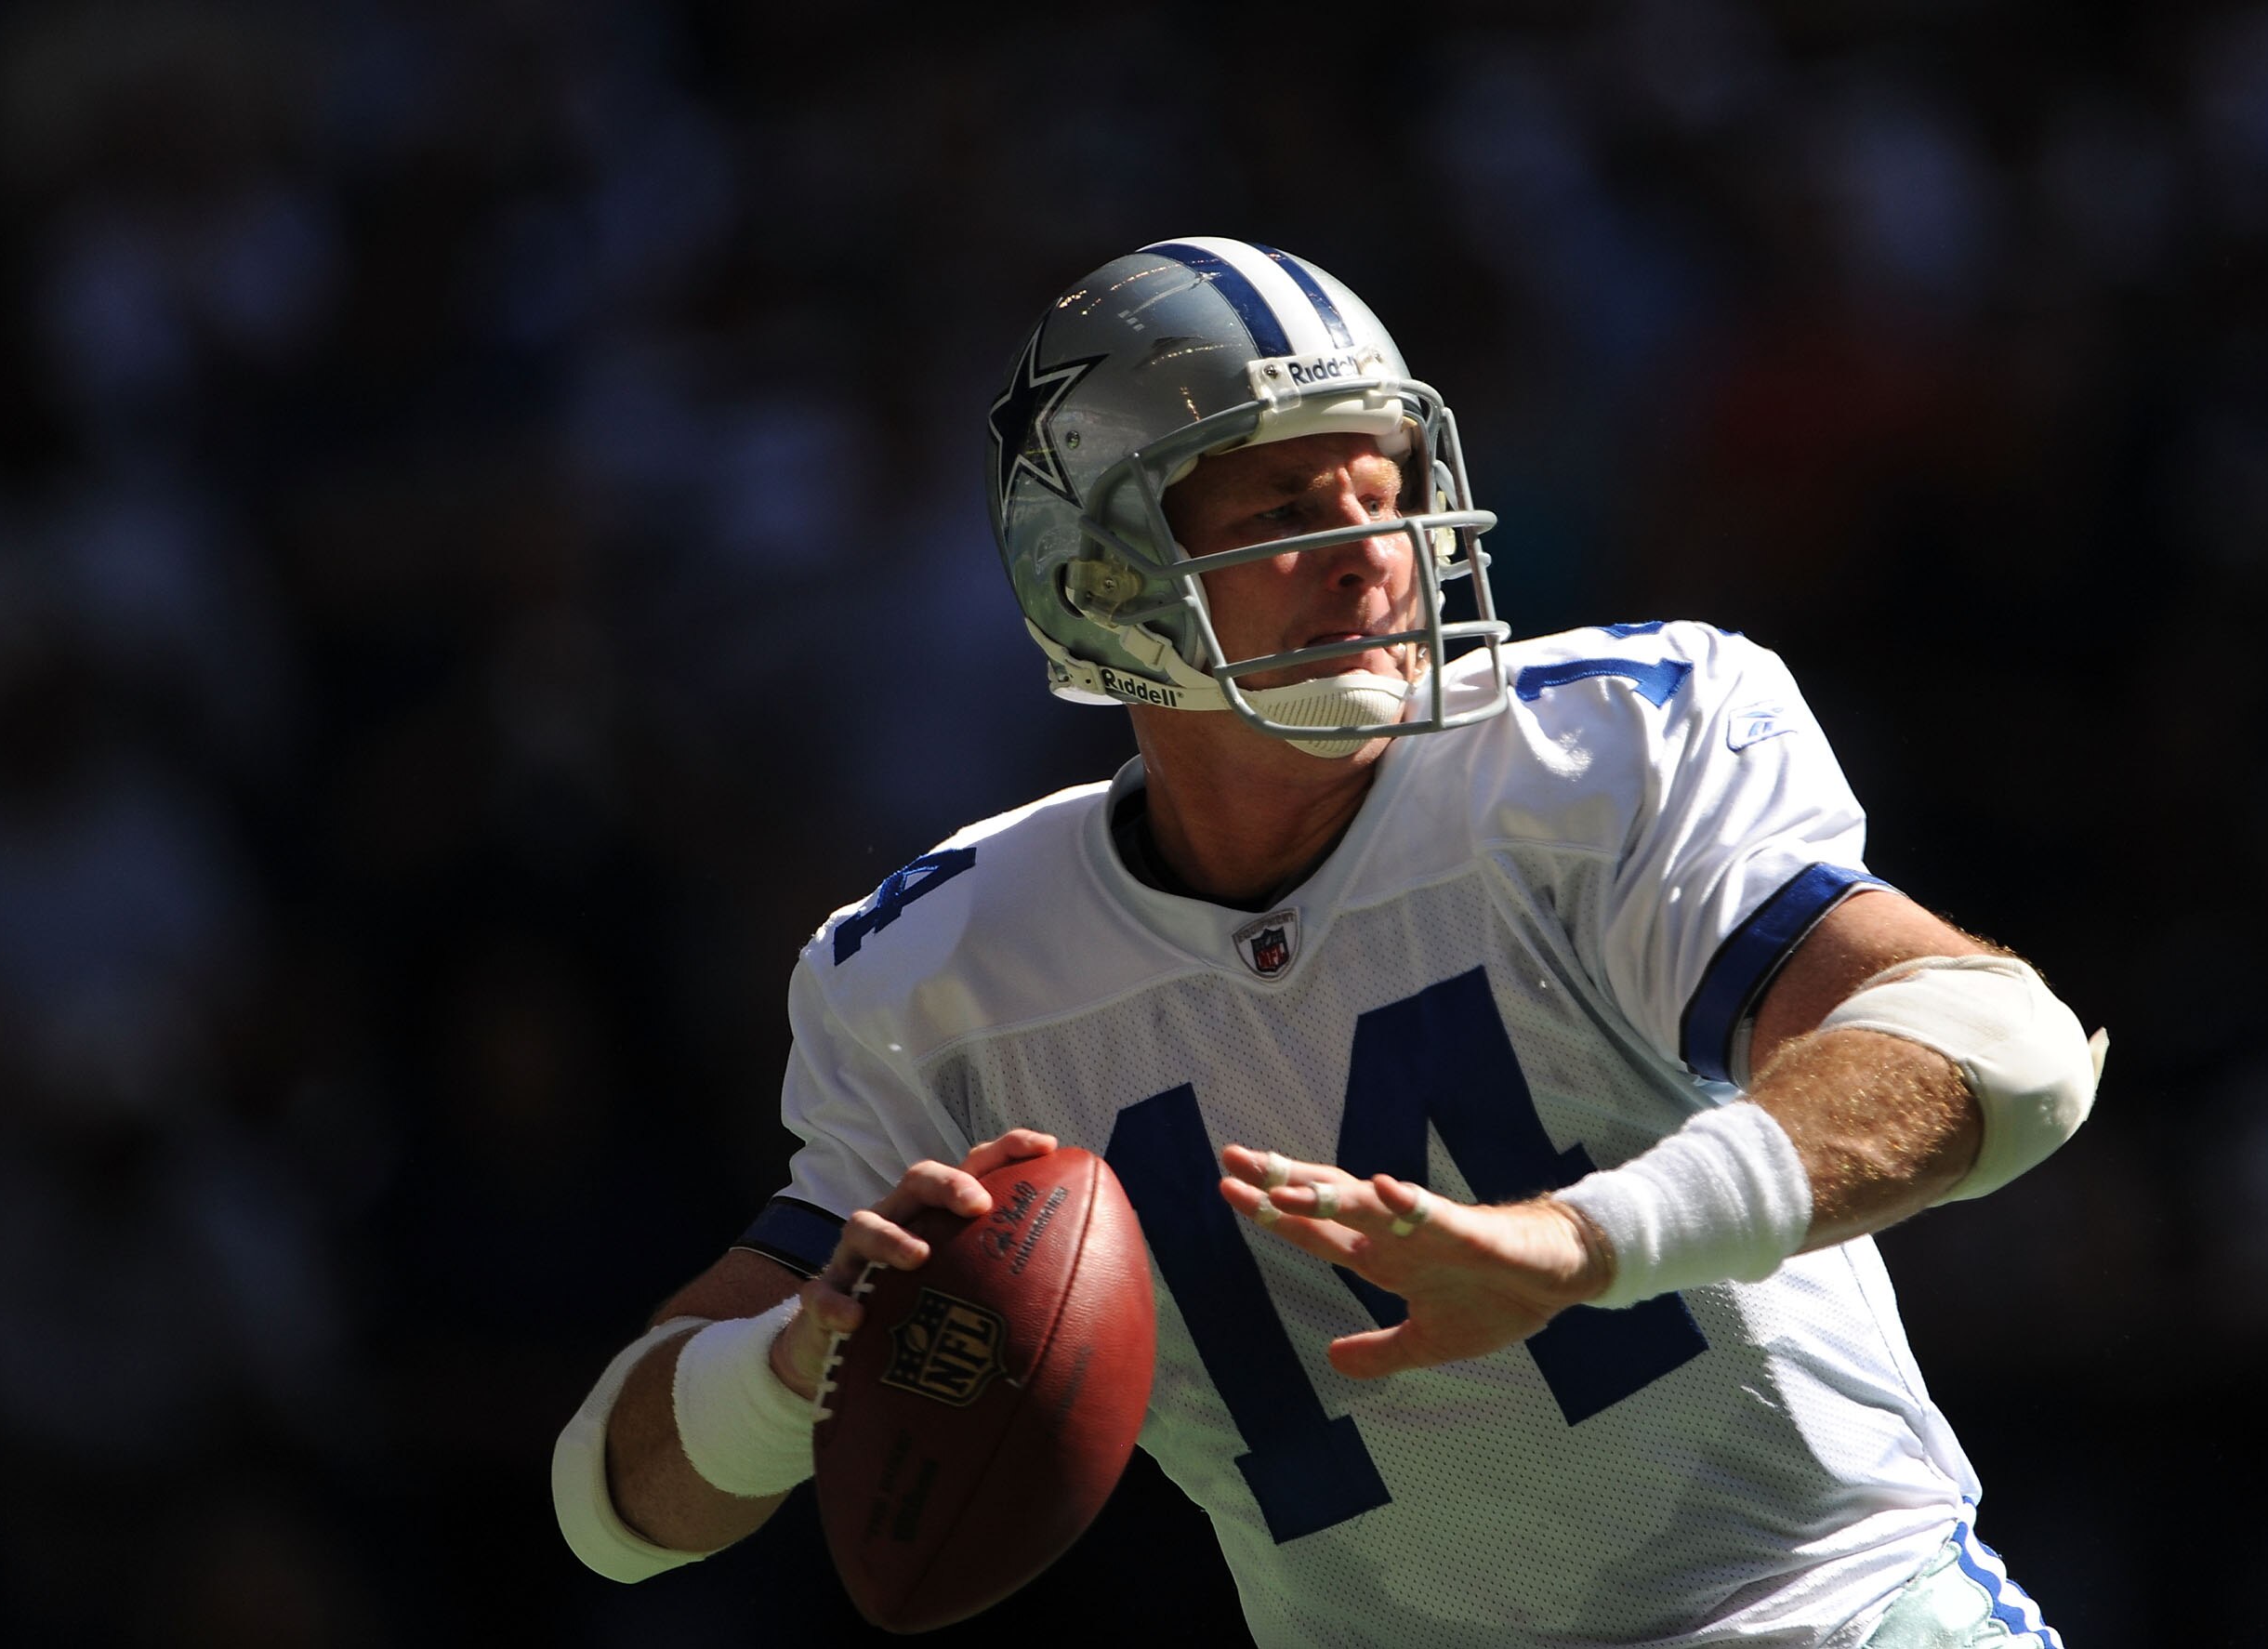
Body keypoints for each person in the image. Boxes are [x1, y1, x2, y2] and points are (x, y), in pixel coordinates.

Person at [552, 238, 2104, 1647]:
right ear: (1101, 578)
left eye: (1387, 491)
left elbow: (2002, 1047)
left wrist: (1584, 1242)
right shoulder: (945, 970)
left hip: (1828, 1613)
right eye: (1291, 510)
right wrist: (785, 1369)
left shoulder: (1606, 755)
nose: (1375, 553)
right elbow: (611, 1506)